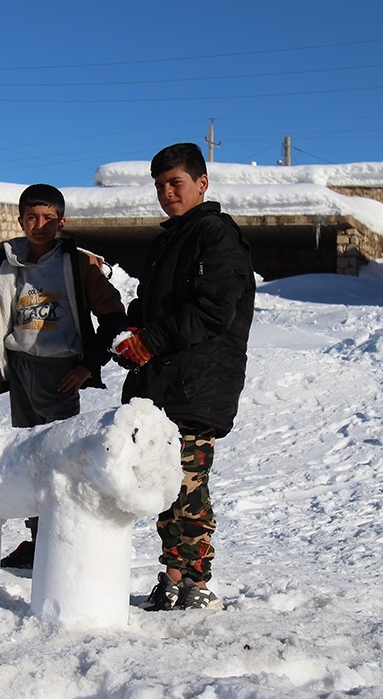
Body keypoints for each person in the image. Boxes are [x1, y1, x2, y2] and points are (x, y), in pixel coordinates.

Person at [113, 143, 255, 611]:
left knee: (186, 486)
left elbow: (214, 310)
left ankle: (191, 581)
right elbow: (154, 309)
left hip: (199, 382)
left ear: (202, 184)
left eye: (175, 183)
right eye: (159, 185)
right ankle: (178, 577)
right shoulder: (167, 242)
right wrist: (131, 333)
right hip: (164, 385)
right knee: (167, 482)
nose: (167, 193)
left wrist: (151, 340)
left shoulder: (216, 236)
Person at [0, 183, 127, 569]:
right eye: (32, 217)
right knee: (26, 457)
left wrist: (87, 366)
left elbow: (113, 317)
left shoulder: (77, 264)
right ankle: (37, 539)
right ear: (20, 220)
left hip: (60, 372)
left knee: (59, 458)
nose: (39, 225)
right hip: (21, 368)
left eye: (48, 218)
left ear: (62, 221)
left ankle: (64, 537)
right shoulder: (8, 261)